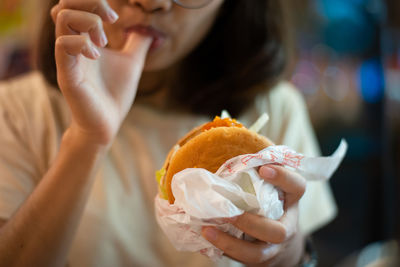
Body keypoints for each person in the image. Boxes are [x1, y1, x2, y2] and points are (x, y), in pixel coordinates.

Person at [0, 0, 337, 266]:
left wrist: (287, 254)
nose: (151, 3)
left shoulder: (273, 109)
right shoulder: (16, 112)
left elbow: (293, 252)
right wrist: (89, 138)